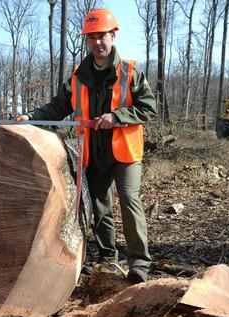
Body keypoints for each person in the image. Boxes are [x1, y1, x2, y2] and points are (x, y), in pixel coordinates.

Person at [15, 8, 156, 283]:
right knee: (100, 206)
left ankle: (139, 262)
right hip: (93, 150)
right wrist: (32, 117)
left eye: (102, 36)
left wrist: (117, 117)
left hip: (125, 151)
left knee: (129, 200)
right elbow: (59, 105)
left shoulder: (130, 72)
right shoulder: (79, 75)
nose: (97, 43)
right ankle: (107, 260)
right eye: (91, 38)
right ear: (87, 41)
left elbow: (149, 108)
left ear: (112, 36)